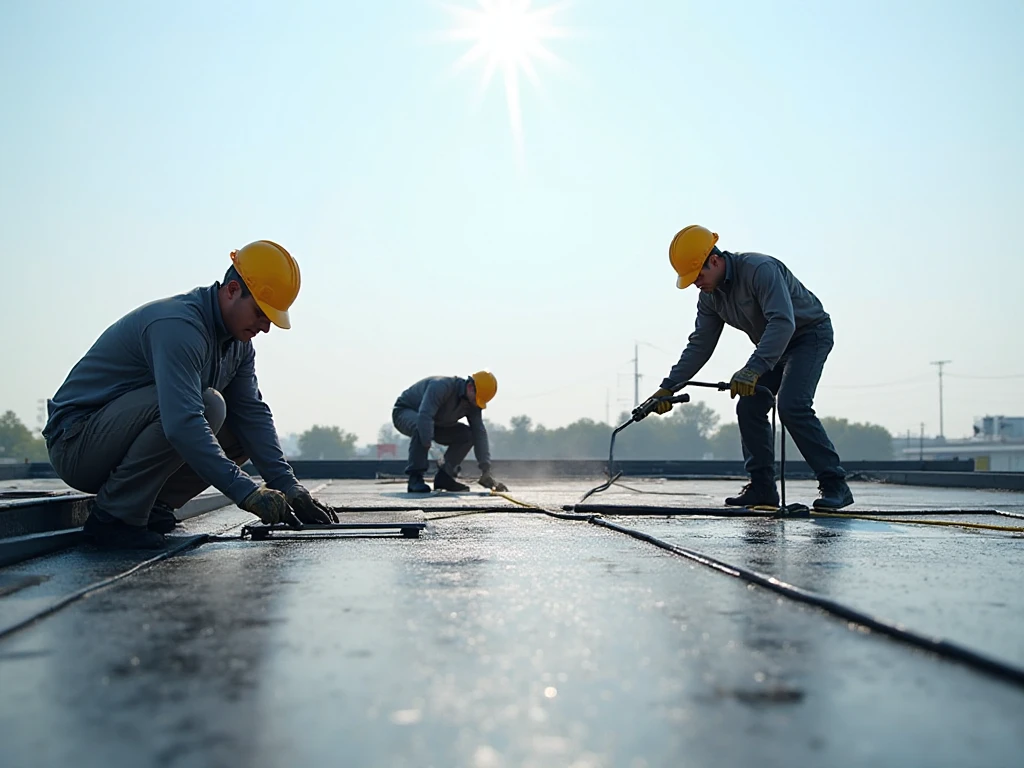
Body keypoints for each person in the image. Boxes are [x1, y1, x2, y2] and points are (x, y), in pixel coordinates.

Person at [42, 240, 338, 550]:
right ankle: (115, 518)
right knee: (205, 406)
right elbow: (182, 422)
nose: (265, 327)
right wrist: (246, 492)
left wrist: (289, 487)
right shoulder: (179, 327)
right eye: (260, 313)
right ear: (232, 290)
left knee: (238, 430)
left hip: (117, 440)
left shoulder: (238, 347)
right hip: (77, 443)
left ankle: (151, 505)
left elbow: (252, 415)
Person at [645, 225, 854, 510]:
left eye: (699, 275)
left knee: (793, 405)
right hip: (773, 347)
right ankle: (763, 488)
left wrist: (753, 369)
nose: (696, 284)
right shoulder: (710, 296)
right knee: (749, 406)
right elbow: (700, 345)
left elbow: (783, 322)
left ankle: (835, 485)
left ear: (715, 260)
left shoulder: (760, 270)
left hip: (808, 336)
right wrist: (668, 386)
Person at [392, 372, 508, 494]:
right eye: (476, 399)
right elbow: (425, 416)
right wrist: (429, 445)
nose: (475, 403)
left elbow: (479, 432)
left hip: (435, 423)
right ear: (470, 387)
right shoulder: (441, 386)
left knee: (467, 435)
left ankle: (444, 477)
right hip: (405, 412)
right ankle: (415, 478)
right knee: (420, 426)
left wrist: (485, 470)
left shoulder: (473, 402)